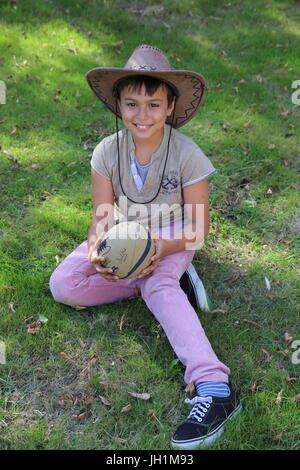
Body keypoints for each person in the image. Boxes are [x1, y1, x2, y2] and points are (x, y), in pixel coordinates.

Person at [49, 44, 242, 450]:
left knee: (159, 286)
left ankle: (215, 387)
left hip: (173, 235)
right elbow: (102, 216)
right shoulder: (106, 152)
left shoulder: (188, 155)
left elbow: (199, 229)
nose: (142, 115)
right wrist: (95, 252)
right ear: (118, 103)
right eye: (131, 104)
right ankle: (146, 282)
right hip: (124, 236)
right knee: (64, 285)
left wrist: (161, 249)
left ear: (171, 106)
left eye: (153, 104)